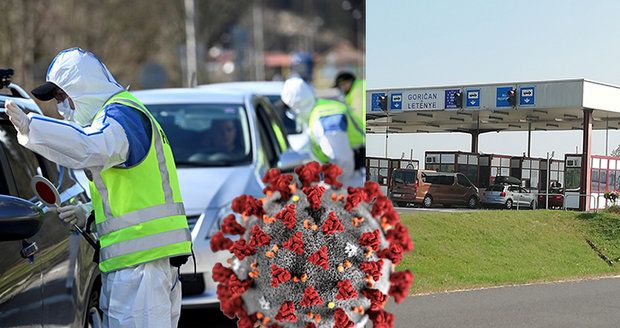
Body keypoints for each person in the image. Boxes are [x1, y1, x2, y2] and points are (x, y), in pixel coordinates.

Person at [5, 48, 192, 328]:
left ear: (82, 88)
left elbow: (90, 147)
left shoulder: (121, 116)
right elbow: (132, 192)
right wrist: (89, 212)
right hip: (141, 265)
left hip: (142, 268)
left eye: (61, 96)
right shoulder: (121, 115)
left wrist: (33, 129)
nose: (61, 107)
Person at [280, 77, 365, 187]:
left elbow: (343, 160)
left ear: (297, 106)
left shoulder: (324, 117)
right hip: (352, 176)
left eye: (289, 107)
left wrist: (331, 186)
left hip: (354, 179)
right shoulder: (317, 110)